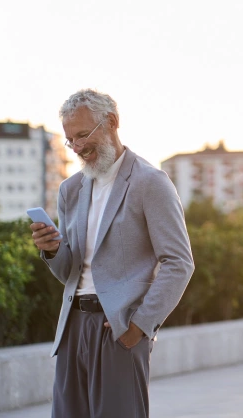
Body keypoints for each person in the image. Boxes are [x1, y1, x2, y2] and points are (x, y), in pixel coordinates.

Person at [30, 89, 195, 417]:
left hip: (118, 328)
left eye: (83, 135)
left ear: (113, 122)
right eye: (70, 140)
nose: (77, 147)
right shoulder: (70, 190)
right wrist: (52, 250)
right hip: (72, 327)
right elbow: (70, 271)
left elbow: (179, 263)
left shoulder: (151, 183)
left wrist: (140, 326)